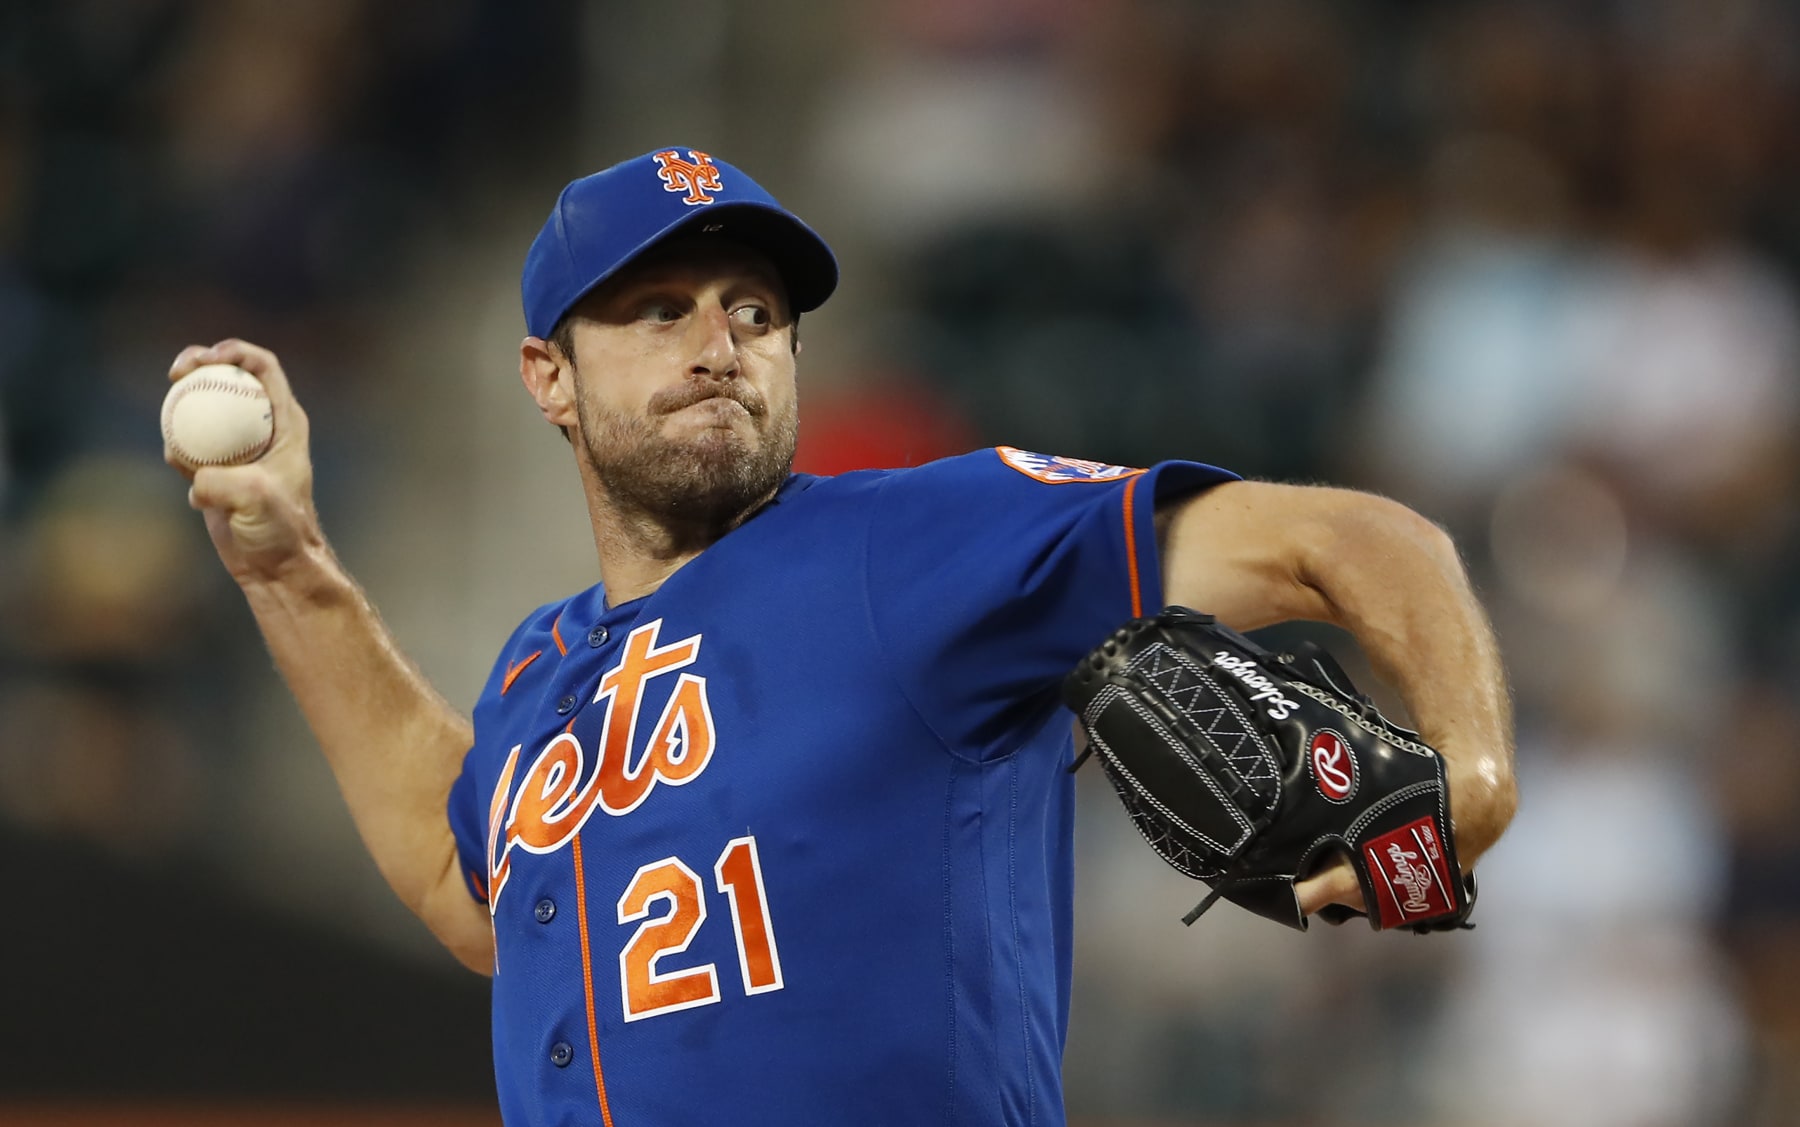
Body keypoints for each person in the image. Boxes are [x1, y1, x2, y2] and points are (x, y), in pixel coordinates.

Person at [165, 147, 1516, 1126]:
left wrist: (1473, 772)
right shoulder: (537, 668)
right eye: (660, 309)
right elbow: (466, 894)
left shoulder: (916, 542)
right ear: (548, 378)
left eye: (755, 312)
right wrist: (288, 568)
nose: (720, 344)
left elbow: (1353, 541)